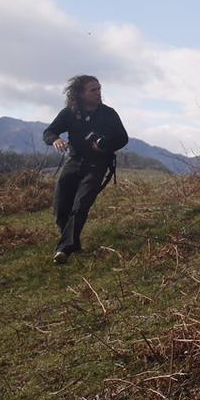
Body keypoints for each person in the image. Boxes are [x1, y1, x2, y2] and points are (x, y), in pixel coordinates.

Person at [43, 75, 129, 264]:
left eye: (99, 89)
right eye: (93, 90)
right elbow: (48, 132)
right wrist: (55, 140)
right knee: (60, 207)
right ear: (80, 93)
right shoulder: (69, 113)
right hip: (73, 161)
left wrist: (105, 145)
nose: (98, 93)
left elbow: (123, 138)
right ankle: (73, 243)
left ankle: (64, 249)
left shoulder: (109, 113)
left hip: (97, 164)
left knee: (81, 205)